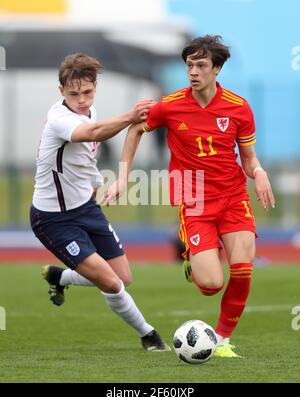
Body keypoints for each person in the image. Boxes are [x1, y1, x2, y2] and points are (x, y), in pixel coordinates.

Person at [102, 36, 275, 358]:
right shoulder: (170, 105)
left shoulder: (238, 108)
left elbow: (249, 159)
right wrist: (124, 176)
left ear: (217, 69)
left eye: (201, 65)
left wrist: (260, 172)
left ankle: (222, 340)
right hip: (194, 199)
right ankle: (194, 258)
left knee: (242, 267)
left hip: (233, 196)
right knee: (210, 285)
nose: (193, 72)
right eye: (189, 65)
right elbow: (136, 129)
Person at [30, 53, 170, 352]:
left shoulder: (90, 111)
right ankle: (150, 336)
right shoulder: (59, 119)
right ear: (61, 92)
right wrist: (130, 116)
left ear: (95, 87)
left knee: (123, 277)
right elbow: (91, 134)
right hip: (53, 219)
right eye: (73, 94)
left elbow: (84, 154)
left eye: (88, 92)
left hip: (86, 208)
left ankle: (60, 276)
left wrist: (96, 184)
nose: (81, 100)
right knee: (111, 283)